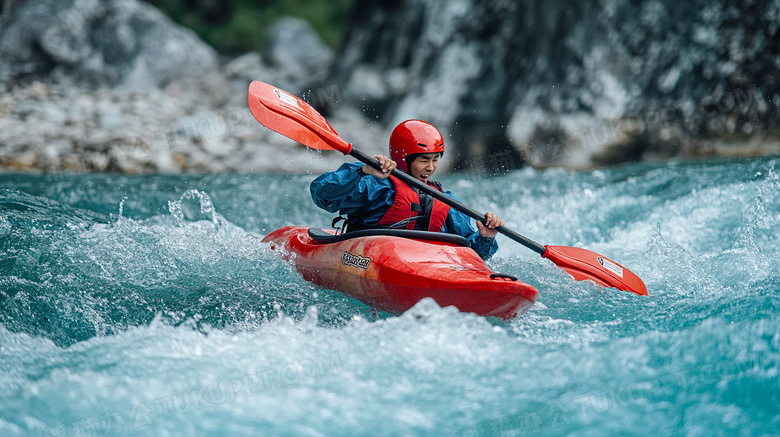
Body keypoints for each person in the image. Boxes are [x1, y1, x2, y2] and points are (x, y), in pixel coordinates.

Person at [310, 119, 505, 260]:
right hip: (369, 258)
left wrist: (485, 237)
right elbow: (322, 195)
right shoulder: (375, 183)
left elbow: (475, 253)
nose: (431, 167)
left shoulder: (446, 200)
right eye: (424, 160)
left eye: (435, 160)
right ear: (404, 158)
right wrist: (362, 171)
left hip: (427, 264)